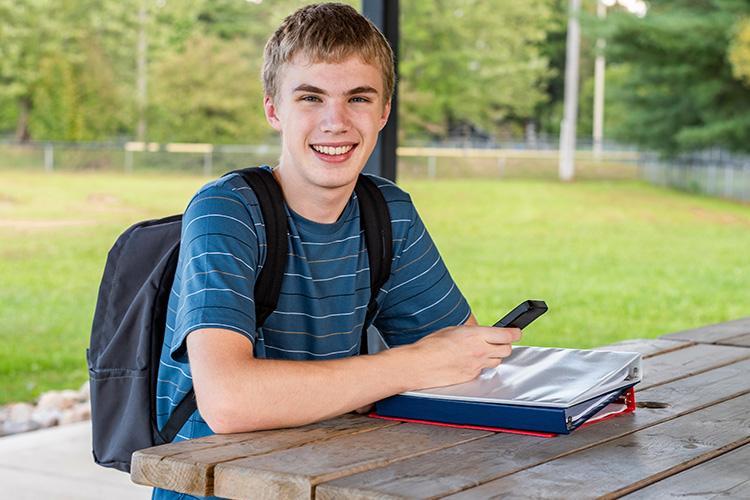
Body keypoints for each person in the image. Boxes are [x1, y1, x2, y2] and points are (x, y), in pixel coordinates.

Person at [153, 3, 520, 498]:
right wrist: (410, 365)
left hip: (329, 476)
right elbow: (229, 401)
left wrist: (458, 359)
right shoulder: (226, 210)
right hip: (223, 486)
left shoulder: (388, 212)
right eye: (310, 97)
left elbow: (457, 365)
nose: (336, 121)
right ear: (273, 109)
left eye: (359, 98)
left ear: (384, 111)